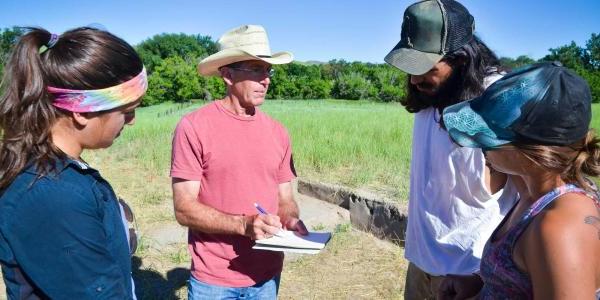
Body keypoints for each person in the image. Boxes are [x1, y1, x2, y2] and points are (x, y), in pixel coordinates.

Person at [383, 0, 519, 298]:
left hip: (472, 272)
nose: (415, 80)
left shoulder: (499, 98)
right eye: (410, 68)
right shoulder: (426, 97)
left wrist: (485, 273)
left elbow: (531, 196)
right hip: (420, 263)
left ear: (461, 59)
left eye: (426, 68)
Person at [0, 27, 146, 299]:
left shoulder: (63, 171)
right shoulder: (50, 193)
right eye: (126, 111)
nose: (132, 120)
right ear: (81, 112)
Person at [170, 24, 308, 299]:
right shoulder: (194, 127)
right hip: (214, 280)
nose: (266, 80)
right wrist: (243, 225)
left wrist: (290, 220)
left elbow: (284, 198)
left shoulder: (278, 132)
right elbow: (184, 209)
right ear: (228, 75)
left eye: (268, 71)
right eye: (256, 70)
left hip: (266, 276)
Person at [440, 61, 600, 299]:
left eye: (491, 138)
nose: (481, 147)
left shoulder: (560, 226)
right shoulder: (531, 193)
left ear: (533, 151)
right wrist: (481, 284)